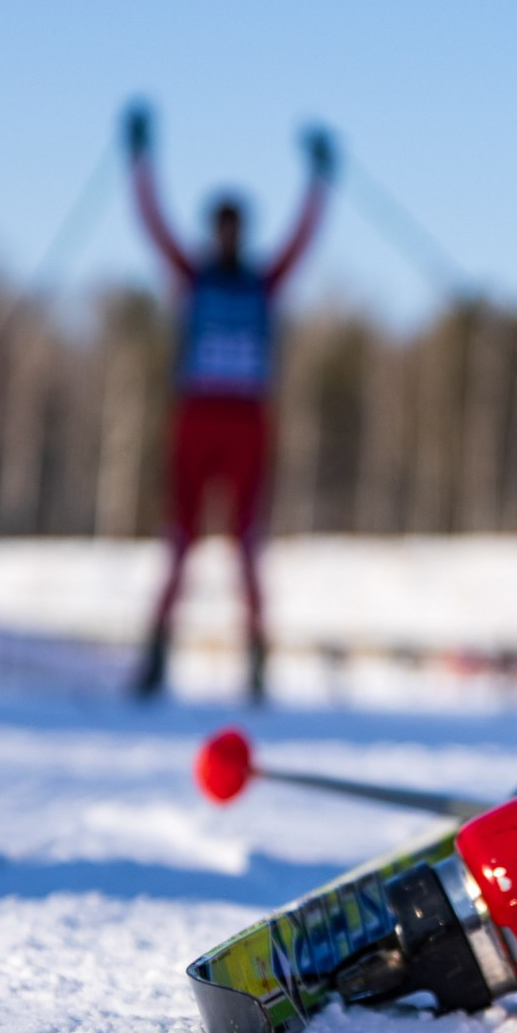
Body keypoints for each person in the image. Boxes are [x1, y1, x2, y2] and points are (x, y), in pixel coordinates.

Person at [123, 103, 335, 702]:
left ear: (243, 232)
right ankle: (155, 660)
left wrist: (320, 181)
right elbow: (153, 225)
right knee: (180, 542)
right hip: (196, 415)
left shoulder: (262, 283)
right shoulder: (194, 278)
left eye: (235, 228)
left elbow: (302, 240)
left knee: (246, 546)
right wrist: (139, 160)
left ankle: (257, 664)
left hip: (247, 421)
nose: (228, 236)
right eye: (221, 227)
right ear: (212, 231)